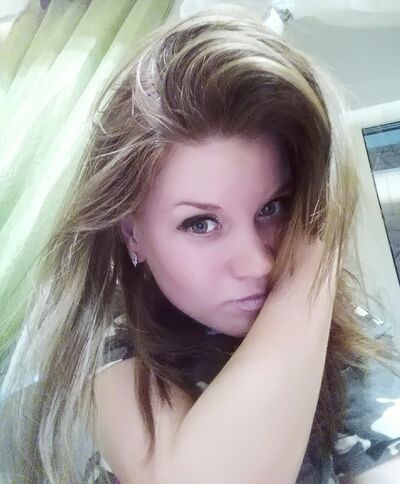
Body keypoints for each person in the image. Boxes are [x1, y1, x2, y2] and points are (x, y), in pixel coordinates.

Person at [1, 5, 400, 484]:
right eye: (201, 224)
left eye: (273, 208)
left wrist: (319, 219)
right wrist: (317, 252)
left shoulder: (345, 335)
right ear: (132, 234)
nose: (257, 264)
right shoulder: (115, 342)